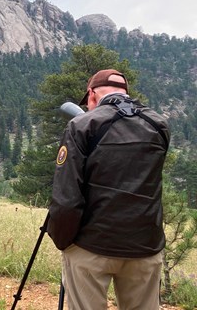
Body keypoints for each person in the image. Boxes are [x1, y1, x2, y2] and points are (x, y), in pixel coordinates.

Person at [47, 69, 170, 309]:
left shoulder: (82, 125)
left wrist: (64, 242)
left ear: (92, 94)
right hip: (145, 245)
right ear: (125, 92)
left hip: (91, 245)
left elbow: (66, 199)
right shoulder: (158, 125)